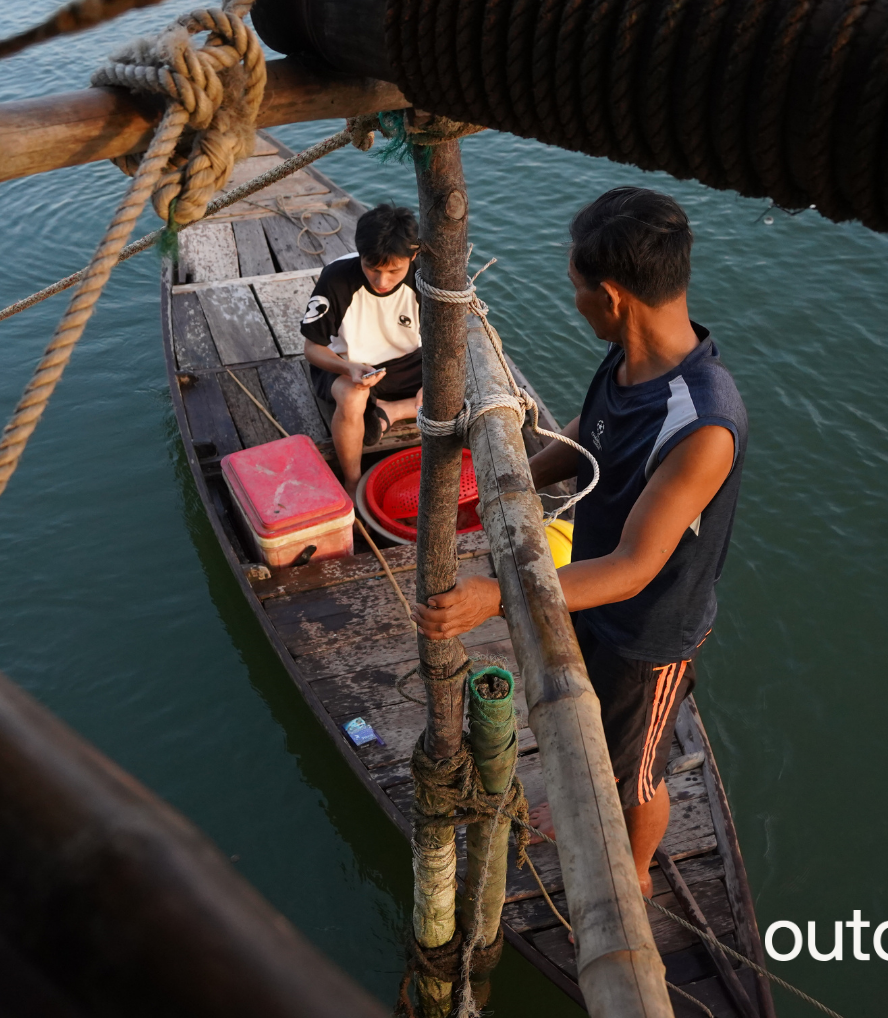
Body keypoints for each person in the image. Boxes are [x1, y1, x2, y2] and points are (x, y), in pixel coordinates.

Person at [411, 186, 747, 899]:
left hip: (647, 631)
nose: (574, 302)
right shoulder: (629, 360)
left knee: (637, 766)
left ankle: (637, 874)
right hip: (592, 592)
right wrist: (506, 490)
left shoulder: (703, 426)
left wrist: (497, 597)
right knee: (586, 714)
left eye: (577, 289)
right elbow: (587, 441)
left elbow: (632, 567)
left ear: (614, 297)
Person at [301, 203, 423, 498]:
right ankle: (352, 482)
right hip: (350, 362)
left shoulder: (427, 276)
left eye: (394, 270)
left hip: (409, 362)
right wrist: (348, 368)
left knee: (474, 382)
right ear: (360, 255)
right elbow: (312, 347)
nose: (382, 281)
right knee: (354, 398)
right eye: (372, 268)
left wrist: (432, 382)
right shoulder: (337, 278)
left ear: (414, 255)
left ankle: (392, 411)